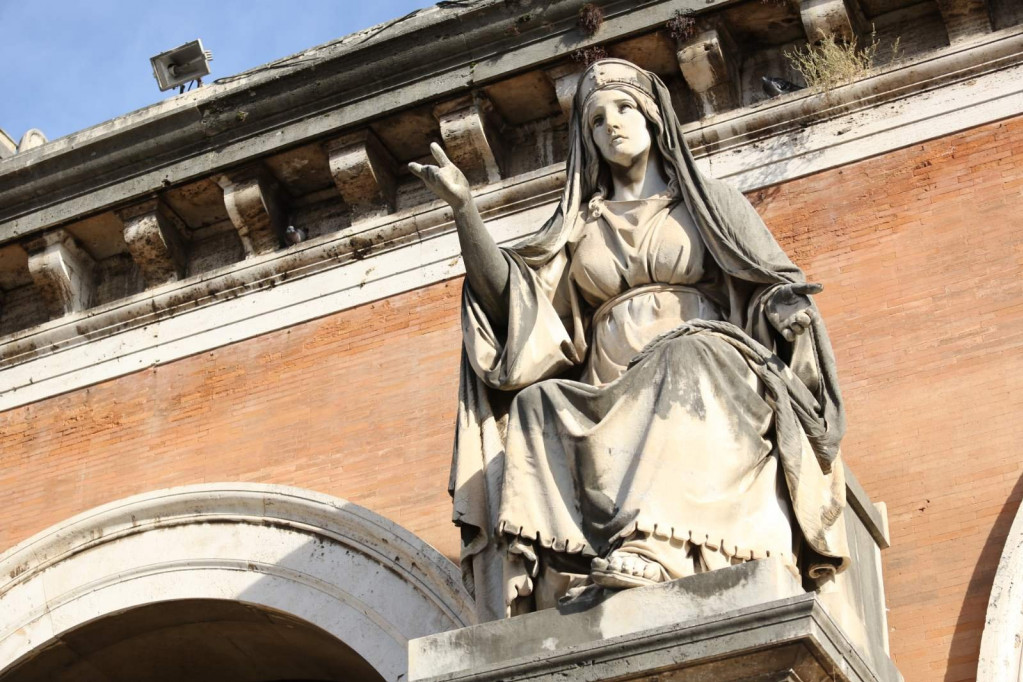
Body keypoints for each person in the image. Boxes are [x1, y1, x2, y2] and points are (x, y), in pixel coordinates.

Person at [410, 59, 849, 622]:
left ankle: (659, 546)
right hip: (608, 382)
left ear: (653, 118)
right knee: (535, 403)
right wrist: (465, 211)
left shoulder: (711, 206)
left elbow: (769, 284)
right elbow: (513, 307)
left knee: (682, 353)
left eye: (623, 109)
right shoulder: (579, 229)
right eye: (596, 120)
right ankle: (561, 576)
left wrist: (785, 310)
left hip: (708, 364)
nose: (611, 124)